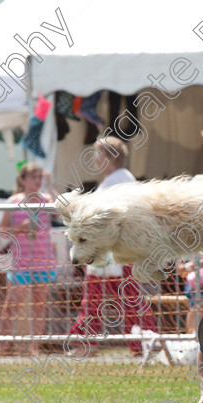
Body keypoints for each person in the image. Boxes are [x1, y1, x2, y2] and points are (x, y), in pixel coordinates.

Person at [68, 137, 156, 355]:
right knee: (123, 299)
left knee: (117, 299)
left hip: (115, 252)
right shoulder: (119, 180)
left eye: (99, 155)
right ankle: (141, 343)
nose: (95, 160)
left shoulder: (118, 183)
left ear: (110, 158)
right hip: (113, 253)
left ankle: (138, 342)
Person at [0, 164, 56, 354]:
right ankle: (2, 345)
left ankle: (33, 347)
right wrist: (21, 227)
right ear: (22, 180)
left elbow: (62, 211)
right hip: (21, 262)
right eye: (33, 177)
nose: (37, 180)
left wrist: (50, 185)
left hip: (43, 261)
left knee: (39, 306)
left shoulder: (46, 199)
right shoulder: (13, 202)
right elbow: (2, 230)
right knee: (12, 305)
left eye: (39, 177)